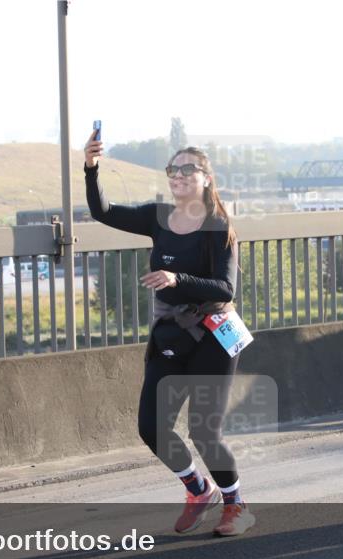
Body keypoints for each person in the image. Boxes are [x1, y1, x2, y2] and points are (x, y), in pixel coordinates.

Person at [83, 131, 254, 536]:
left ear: (206, 178)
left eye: (187, 169)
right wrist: (91, 168)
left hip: (214, 338)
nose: (177, 175)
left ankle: (237, 506)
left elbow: (225, 289)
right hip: (171, 336)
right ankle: (199, 490)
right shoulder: (157, 216)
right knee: (151, 426)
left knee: (204, 431)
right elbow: (103, 212)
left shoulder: (218, 227)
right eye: (172, 169)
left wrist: (176, 278)